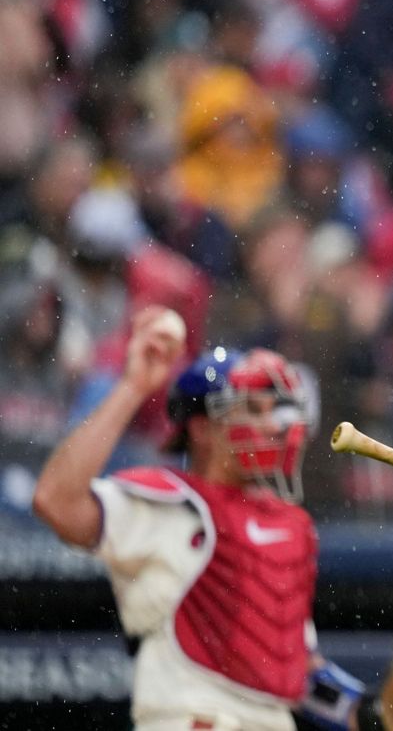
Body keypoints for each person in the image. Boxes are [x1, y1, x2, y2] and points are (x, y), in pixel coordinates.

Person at [32, 305, 345, 730]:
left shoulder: (289, 524)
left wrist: (377, 714)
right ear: (201, 427)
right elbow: (56, 501)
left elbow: (294, 662)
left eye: (274, 410)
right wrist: (133, 387)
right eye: (252, 408)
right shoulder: (167, 501)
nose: (271, 425)